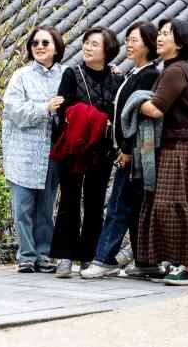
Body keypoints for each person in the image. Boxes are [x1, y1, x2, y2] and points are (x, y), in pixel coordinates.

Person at [133, 18, 188, 286]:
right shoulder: (178, 68)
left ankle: (185, 266)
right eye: (159, 33)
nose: (159, 38)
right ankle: (178, 263)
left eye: (166, 34)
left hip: (177, 149)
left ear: (180, 43)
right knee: (177, 205)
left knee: (173, 206)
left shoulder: (175, 71)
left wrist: (134, 101)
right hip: (179, 148)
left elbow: (155, 109)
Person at [81, 21, 161, 279]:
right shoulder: (135, 73)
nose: (128, 44)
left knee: (118, 205)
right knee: (135, 206)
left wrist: (126, 149)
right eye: (127, 40)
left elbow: (138, 118)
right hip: (132, 151)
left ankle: (104, 259)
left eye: (134, 40)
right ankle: (145, 261)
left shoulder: (149, 75)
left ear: (148, 45)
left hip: (134, 152)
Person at [49, 26, 121, 277]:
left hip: (101, 149)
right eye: (86, 42)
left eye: (94, 44)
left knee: (95, 201)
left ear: (107, 51)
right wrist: (89, 119)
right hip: (74, 146)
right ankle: (65, 256)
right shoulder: (72, 74)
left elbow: (118, 114)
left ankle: (88, 257)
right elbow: (62, 109)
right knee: (69, 199)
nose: (87, 48)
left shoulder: (117, 78)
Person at [1, 25, 65, 273]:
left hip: (52, 152)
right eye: (35, 43)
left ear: (56, 47)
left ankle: (44, 254)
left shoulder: (66, 75)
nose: (39, 47)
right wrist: (44, 108)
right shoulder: (21, 76)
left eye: (45, 43)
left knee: (46, 208)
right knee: (23, 208)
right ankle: (26, 255)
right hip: (23, 152)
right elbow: (14, 110)